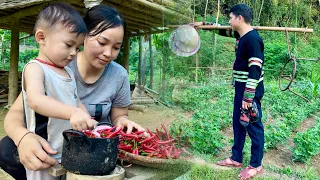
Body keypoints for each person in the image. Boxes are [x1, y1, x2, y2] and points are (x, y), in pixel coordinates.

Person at [0, 4, 144, 180]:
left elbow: (118, 115)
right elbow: (19, 111)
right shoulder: (54, 66)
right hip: (53, 145)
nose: (108, 53)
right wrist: (23, 138)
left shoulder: (119, 75)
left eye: (116, 47)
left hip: (92, 147)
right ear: (84, 36)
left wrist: (123, 122)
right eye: (102, 42)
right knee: (7, 149)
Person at [22, 2, 95, 180]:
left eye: (77, 48)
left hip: (67, 149)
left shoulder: (68, 71)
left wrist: (87, 118)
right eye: (68, 44)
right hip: (43, 152)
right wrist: (73, 112)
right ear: (41, 37)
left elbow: (75, 100)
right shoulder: (35, 68)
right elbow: (36, 100)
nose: (73, 53)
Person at [195, 4, 264, 180]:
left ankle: (256, 164)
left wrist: (248, 97)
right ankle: (236, 157)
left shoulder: (252, 39)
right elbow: (222, 31)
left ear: (239, 18)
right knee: (238, 122)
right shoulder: (241, 36)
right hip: (240, 88)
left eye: (230, 17)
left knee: (253, 126)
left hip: (250, 90)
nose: (228, 21)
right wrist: (202, 24)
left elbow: (255, 68)